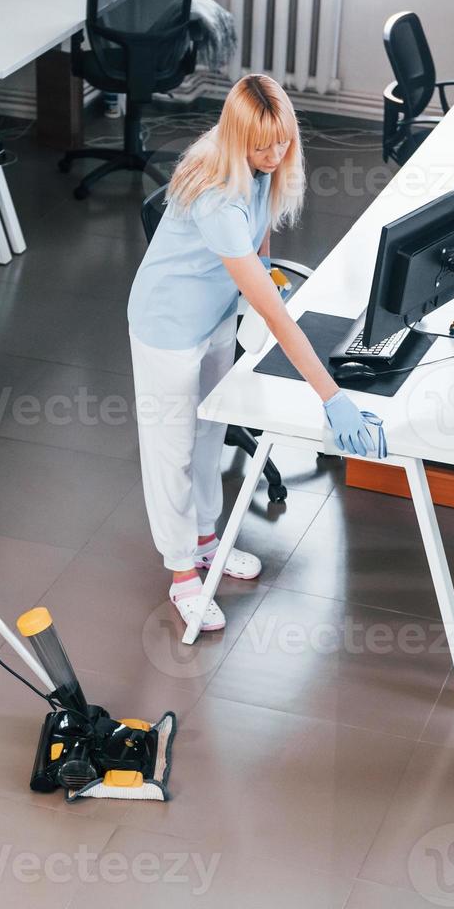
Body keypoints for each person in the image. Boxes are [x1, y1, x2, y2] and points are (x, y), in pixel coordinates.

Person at [128, 74, 384, 633]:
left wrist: (265, 272)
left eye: (282, 141)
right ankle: (181, 577)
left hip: (215, 313)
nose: (273, 156)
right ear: (236, 137)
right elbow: (272, 314)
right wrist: (332, 397)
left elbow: (261, 232)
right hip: (167, 324)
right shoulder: (217, 191)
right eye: (261, 146)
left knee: (208, 436)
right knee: (171, 449)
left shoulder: (269, 167)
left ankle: (205, 545)